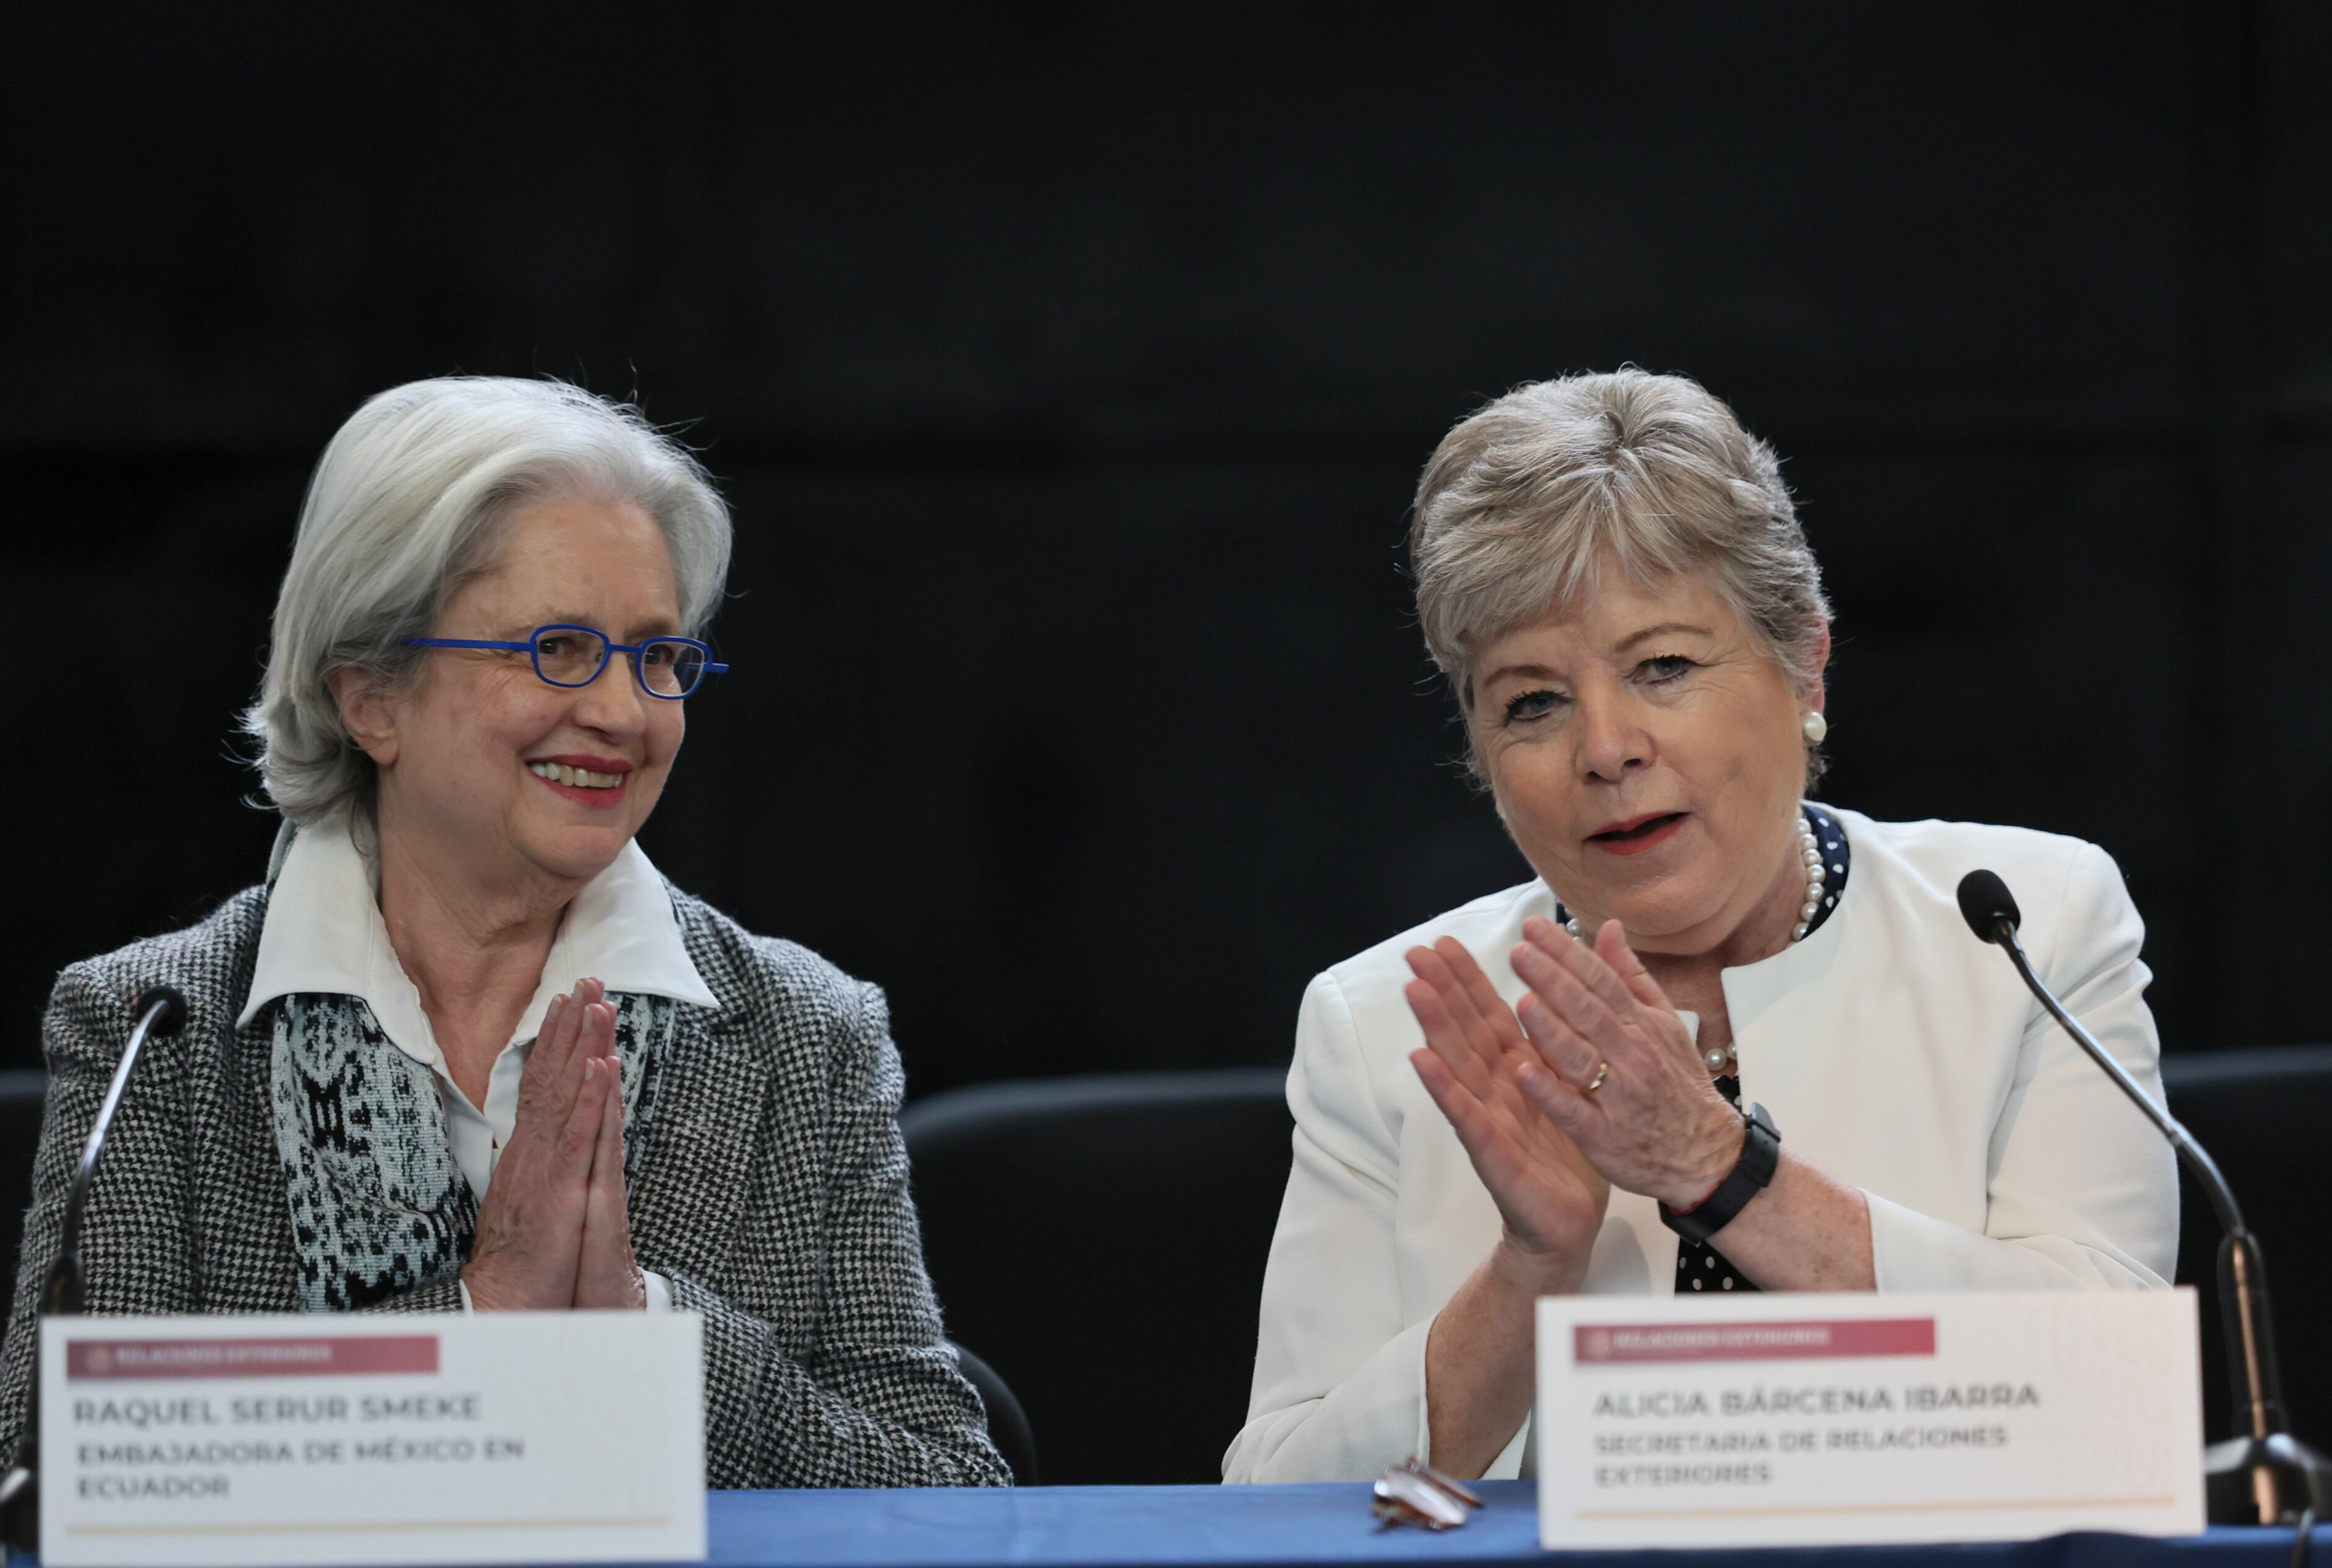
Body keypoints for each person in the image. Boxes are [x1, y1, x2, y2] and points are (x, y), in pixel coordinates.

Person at [0, 378, 1008, 1489]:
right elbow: (56, 1480)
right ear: (371, 698)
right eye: (559, 649)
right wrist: (485, 1318)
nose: (626, 713)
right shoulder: (156, 1028)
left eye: (656, 654)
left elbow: (947, 1491)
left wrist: (643, 1332)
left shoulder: (805, 1032)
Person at [1222, 370, 2176, 1485]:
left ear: (1805, 665)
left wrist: (1720, 1170)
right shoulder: (1385, 1022)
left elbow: (2112, 1399)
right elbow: (1276, 1505)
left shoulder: (2026, 926)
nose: (1605, 748)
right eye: (1531, 700)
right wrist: (1528, 1275)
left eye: (1661, 666)